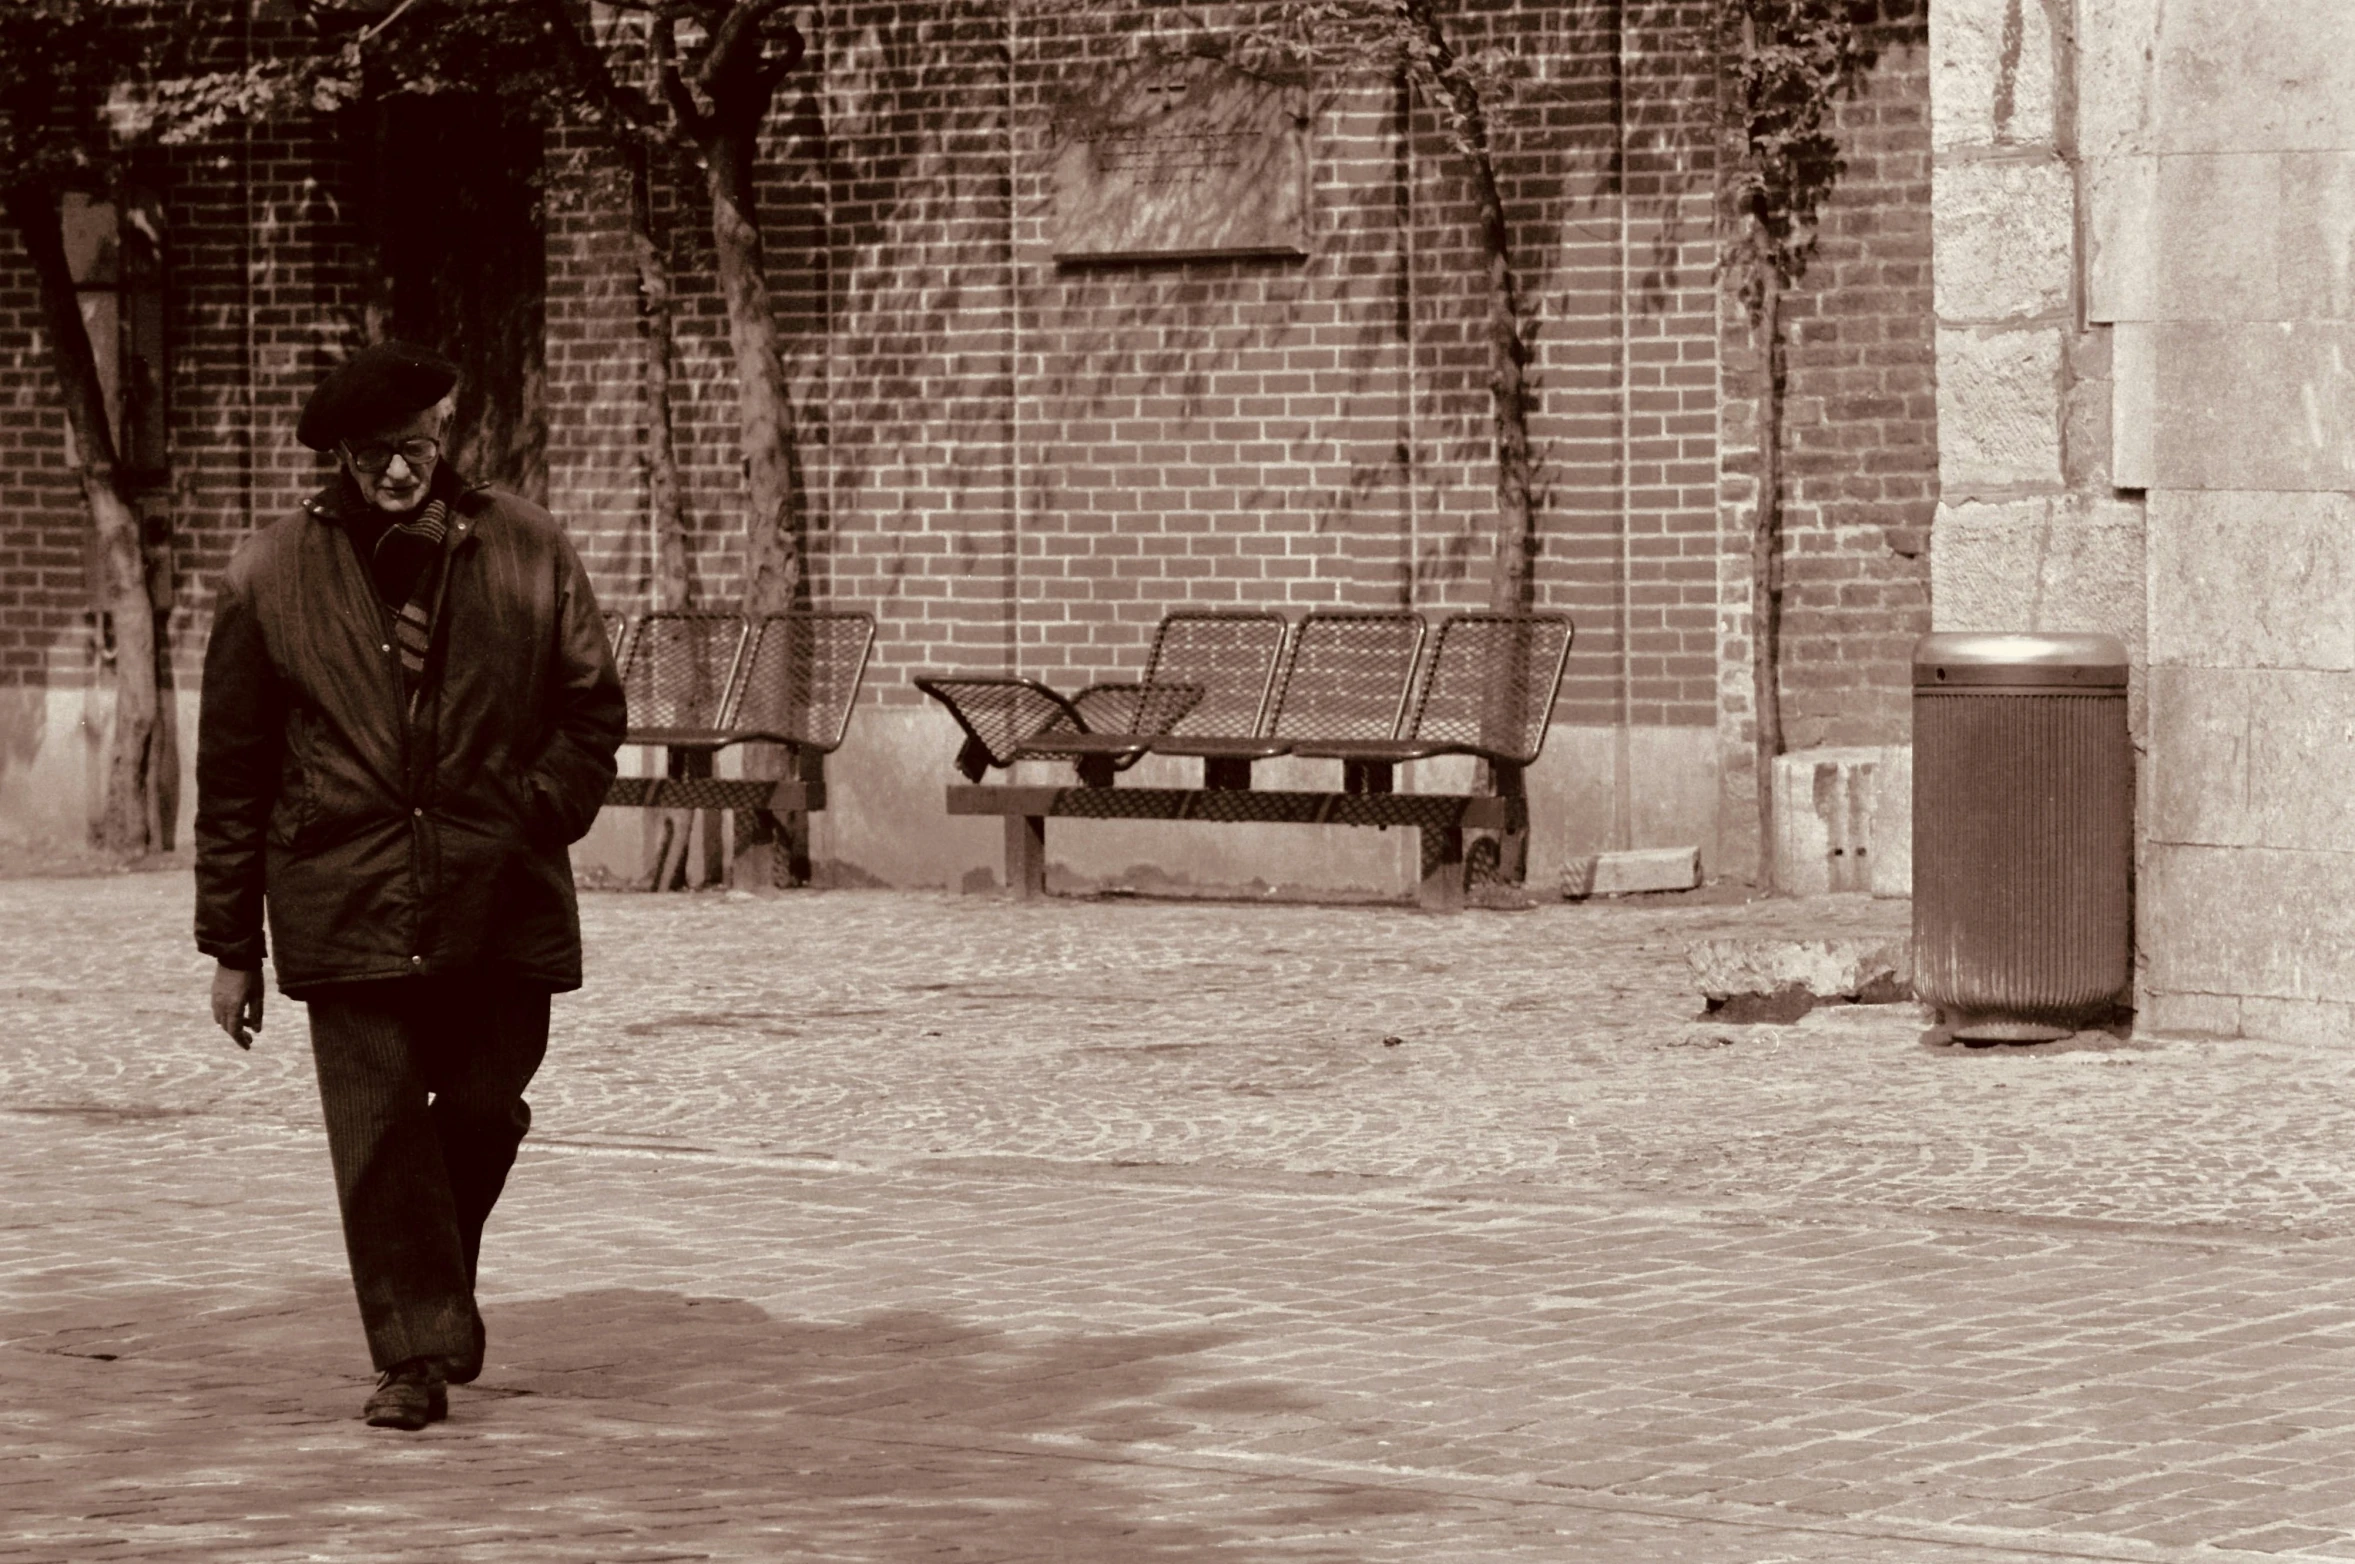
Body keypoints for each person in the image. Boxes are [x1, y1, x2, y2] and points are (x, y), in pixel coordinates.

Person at [194, 341, 625, 1431]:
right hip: (343, 887)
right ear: (338, 454)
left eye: (419, 445)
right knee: (381, 1126)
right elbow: (235, 767)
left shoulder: (525, 544)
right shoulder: (270, 571)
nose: (402, 470)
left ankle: (426, 1287)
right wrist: (230, 942)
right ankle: (414, 1355)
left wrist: (536, 804)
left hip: (500, 885)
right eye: (378, 452)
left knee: (483, 1106)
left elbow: (592, 711)